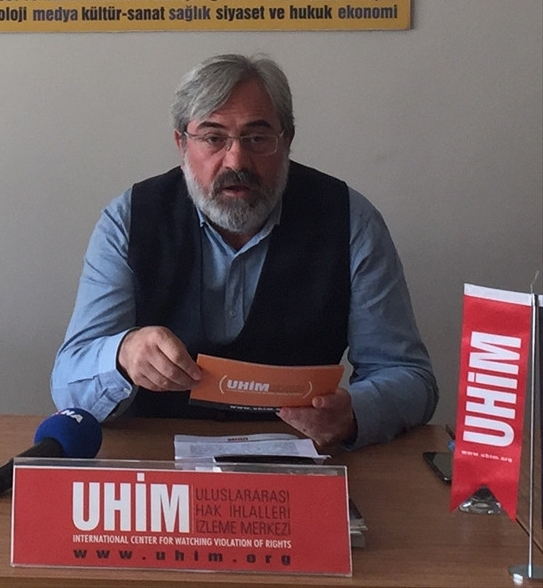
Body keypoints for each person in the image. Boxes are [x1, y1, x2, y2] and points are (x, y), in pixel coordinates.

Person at [51, 53, 437, 449]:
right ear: (181, 143)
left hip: (301, 459)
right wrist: (122, 354)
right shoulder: (130, 220)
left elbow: (409, 376)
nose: (236, 160)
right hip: (157, 462)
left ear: (286, 141)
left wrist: (355, 413)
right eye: (213, 138)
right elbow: (68, 383)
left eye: (257, 138)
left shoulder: (351, 221)